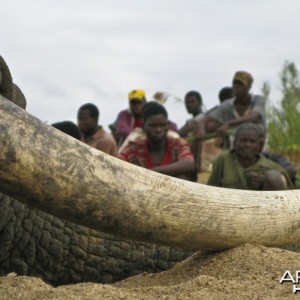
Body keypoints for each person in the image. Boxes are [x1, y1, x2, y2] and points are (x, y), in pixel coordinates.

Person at [118, 101, 196, 181]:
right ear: (143, 127)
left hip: (175, 191)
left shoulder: (177, 143)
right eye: (152, 126)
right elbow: (118, 166)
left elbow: (189, 163)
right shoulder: (133, 149)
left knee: (182, 176)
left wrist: (150, 173)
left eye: (162, 125)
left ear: (167, 126)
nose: (158, 130)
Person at [207, 123, 293, 190]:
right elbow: (211, 188)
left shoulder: (270, 167)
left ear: (259, 145)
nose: (248, 145)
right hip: (229, 209)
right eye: (243, 141)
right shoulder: (224, 159)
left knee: (273, 177)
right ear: (235, 142)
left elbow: (289, 195)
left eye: (252, 142)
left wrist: (265, 181)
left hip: (260, 211)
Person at [195, 71, 267, 145]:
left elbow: (253, 116)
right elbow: (205, 120)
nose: (236, 87)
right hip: (236, 145)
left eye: (240, 84)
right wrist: (201, 130)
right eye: (234, 84)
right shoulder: (227, 104)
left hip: (257, 143)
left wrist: (228, 123)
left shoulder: (258, 100)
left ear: (248, 87)